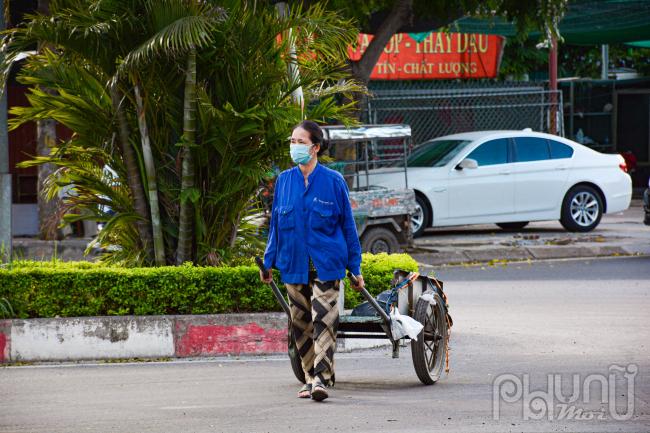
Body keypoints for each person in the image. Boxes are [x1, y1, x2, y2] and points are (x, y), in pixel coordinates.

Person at [260, 120, 364, 402]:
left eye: (301, 142)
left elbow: (348, 228)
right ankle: (309, 378)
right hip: (292, 264)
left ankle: (321, 378)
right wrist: (268, 262)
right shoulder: (284, 181)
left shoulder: (333, 182)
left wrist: (355, 268)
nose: (295, 147)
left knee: (324, 320)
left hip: (327, 265)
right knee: (300, 324)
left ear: (315, 147)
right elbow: (276, 228)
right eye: (292, 141)